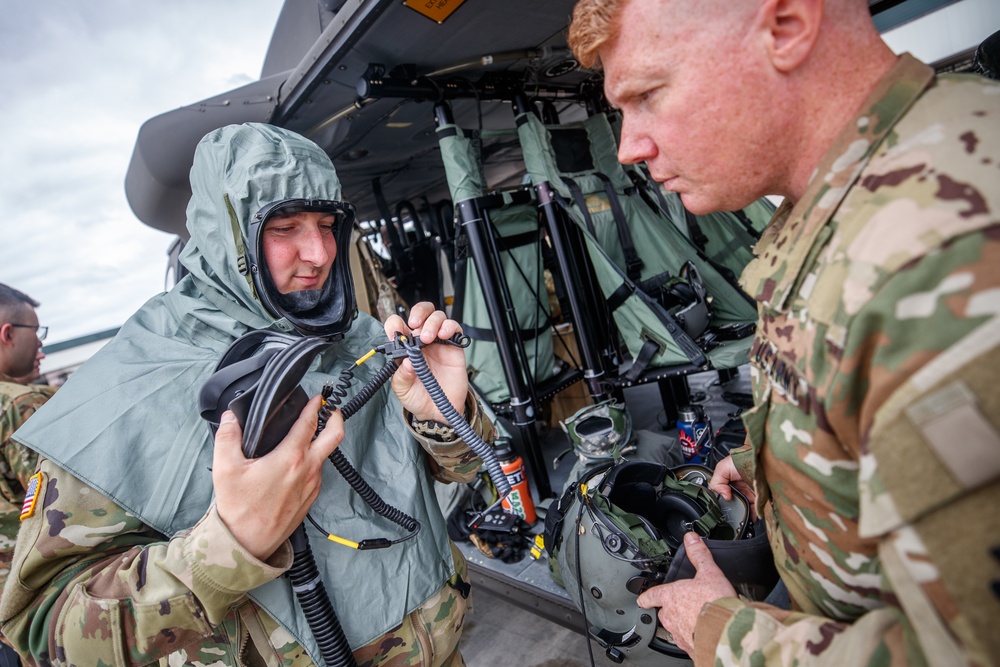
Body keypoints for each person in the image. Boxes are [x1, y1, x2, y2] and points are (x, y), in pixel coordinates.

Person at [568, 0, 999, 665]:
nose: (629, 146)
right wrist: (764, 465)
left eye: (649, 94)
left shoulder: (937, 252)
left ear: (789, 25)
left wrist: (723, 632)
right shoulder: (856, 204)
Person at [0, 123, 489, 666]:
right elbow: (42, 630)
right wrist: (228, 547)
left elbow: (461, 471)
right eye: (285, 227)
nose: (320, 252)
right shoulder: (133, 382)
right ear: (227, 238)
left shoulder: (364, 337)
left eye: (328, 224)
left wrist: (443, 418)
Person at [0, 285, 56, 667]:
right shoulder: (21, 405)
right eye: (36, 332)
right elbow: (63, 509)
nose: (40, 345)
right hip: (33, 607)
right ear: (7, 334)